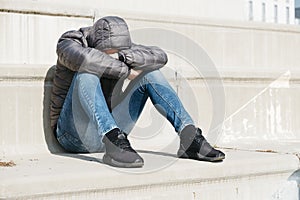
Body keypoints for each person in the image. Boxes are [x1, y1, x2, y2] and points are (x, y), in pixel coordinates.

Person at [50, 16, 225, 168]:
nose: (115, 56)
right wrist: (126, 71)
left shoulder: (122, 47)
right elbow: (88, 59)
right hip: (73, 136)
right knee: (86, 74)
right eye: (109, 54)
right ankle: (113, 141)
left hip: (112, 132)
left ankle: (189, 137)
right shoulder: (69, 42)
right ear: (97, 45)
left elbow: (160, 56)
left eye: (119, 52)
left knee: (151, 73)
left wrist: (121, 57)